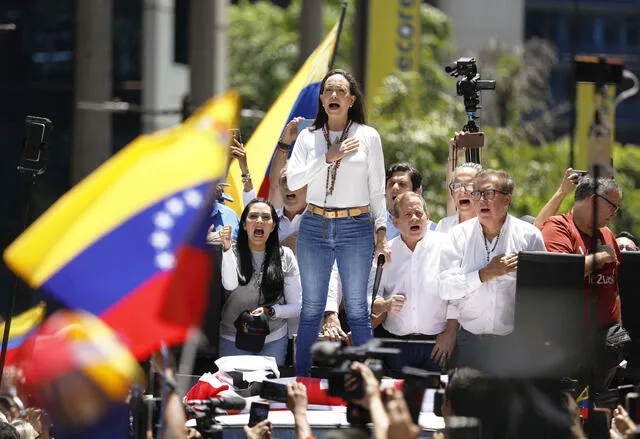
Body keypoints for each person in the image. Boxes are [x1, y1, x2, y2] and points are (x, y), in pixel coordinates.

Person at [288, 69, 389, 376]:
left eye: (340, 91)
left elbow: (377, 190)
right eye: (328, 90)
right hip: (315, 224)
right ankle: (301, 382)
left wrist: (381, 233)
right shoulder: (308, 137)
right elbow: (293, 181)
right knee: (311, 310)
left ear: (351, 99)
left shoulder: (368, 136)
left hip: (355, 225)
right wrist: (327, 158)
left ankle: (366, 383)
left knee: (358, 310)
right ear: (321, 99)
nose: (333, 95)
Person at [439, 169, 546, 371]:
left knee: (507, 403)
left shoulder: (529, 237)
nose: (481, 200)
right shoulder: (457, 236)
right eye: (477, 193)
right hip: (470, 341)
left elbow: (540, 293)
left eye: (488, 194)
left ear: (507, 200)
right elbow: (445, 288)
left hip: (513, 343)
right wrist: (484, 274)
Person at [322, 161, 429, 341]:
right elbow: (336, 271)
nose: (395, 188)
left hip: (396, 326)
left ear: (417, 192)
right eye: (390, 184)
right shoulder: (362, 224)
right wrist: (331, 312)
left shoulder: (428, 231)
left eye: (402, 184)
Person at [541, 175, 622, 395]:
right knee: (569, 413)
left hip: (605, 351)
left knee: (598, 416)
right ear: (595, 201)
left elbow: (615, 290)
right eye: (613, 206)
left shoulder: (607, 235)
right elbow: (560, 276)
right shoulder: (557, 228)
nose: (615, 213)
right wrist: (599, 259)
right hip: (568, 346)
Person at [371, 192, 457, 373]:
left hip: (438, 344)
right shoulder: (385, 253)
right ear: (395, 222)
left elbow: (457, 295)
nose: (415, 219)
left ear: (428, 217)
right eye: (408, 215)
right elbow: (371, 298)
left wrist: (450, 333)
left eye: (419, 213)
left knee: (435, 399)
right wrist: (385, 305)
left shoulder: (446, 245)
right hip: (397, 345)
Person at [219, 199, 302, 365]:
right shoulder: (231, 252)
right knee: (232, 390)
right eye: (253, 216)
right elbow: (229, 285)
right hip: (233, 337)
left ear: (273, 226)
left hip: (273, 339)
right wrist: (227, 249)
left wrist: (270, 311)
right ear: (243, 225)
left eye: (265, 217)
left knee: (268, 389)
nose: (259, 221)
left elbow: (297, 306)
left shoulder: (285, 255)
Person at [436, 162, 483, 234]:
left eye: (468, 184)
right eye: (457, 185)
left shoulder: (490, 226)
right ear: (452, 194)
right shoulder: (444, 225)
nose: (462, 190)